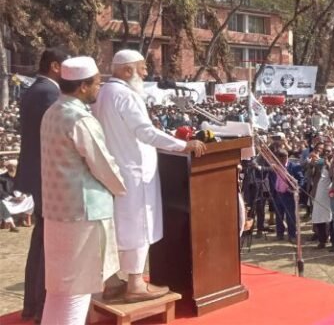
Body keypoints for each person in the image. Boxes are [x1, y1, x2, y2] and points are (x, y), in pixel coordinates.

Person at [91, 49, 206, 303]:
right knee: (138, 226)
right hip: (135, 174)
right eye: (142, 68)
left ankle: (112, 281)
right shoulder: (126, 95)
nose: (145, 74)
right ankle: (135, 285)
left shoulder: (103, 93)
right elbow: (145, 132)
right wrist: (182, 145)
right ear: (127, 70)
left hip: (115, 170)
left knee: (118, 226)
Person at [39, 56, 127, 324]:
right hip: (83, 214)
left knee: (58, 290)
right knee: (78, 290)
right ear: (83, 86)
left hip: (56, 212)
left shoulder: (52, 112)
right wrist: (121, 187)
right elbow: (103, 165)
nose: (100, 87)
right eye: (97, 83)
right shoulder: (81, 119)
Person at [16, 47, 69, 321]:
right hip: (48, 178)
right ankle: (41, 307)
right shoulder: (49, 93)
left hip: (37, 176)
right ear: (55, 66)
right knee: (49, 243)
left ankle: (33, 305)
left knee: (41, 241)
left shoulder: (34, 90)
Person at [1, 159, 33, 232]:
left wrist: (23, 196)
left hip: (21, 199)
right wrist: (12, 199)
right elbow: (1, 192)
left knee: (31, 198)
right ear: (7, 167)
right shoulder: (2, 177)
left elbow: (29, 188)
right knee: (1, 203)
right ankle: (8, 223)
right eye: (10, 167)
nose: (12, 168)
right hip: (9, 200)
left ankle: (23, 218)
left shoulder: (23, 176)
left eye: (13, 166)